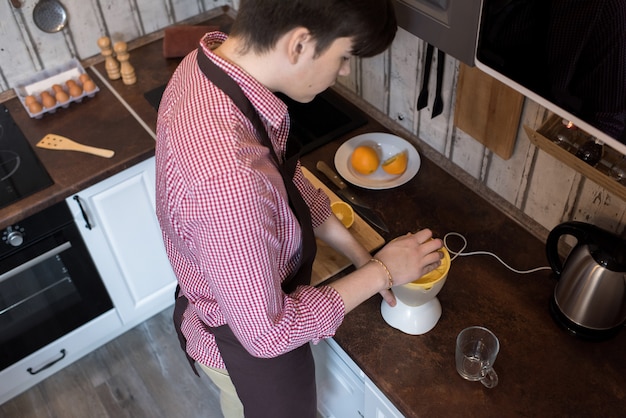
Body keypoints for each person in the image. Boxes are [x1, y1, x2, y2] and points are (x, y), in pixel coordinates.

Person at [155, 1, 443, 417]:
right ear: (299, 44)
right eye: (344, 56)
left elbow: (281, 180)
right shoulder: (229, 178)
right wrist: (382, 272)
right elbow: (266, 335)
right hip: (244, 347)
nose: (344, 70)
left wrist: (360, 252)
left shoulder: (206, 66)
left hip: (219, 300)